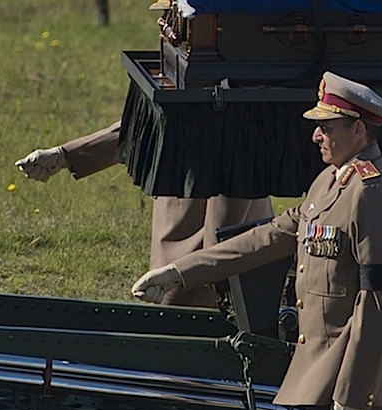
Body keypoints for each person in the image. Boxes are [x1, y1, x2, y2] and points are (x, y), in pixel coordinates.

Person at [130, 72, 382, 410]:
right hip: (359, 373)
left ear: (358, 130)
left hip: (346, 372)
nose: (316, 136)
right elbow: (269, 237)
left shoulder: (371, 194)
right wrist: (181, 272)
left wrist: (353, 391)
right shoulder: (329, 181)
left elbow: (378, 300)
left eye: (326, 127)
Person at [15, 121, 274, 307]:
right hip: (182, 225)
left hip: (216, 256)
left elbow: (223, 240)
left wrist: (197, 274)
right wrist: (64, 155)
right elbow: (150, 118)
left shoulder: (237, 103)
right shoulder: (188, 71)